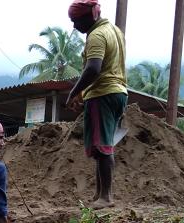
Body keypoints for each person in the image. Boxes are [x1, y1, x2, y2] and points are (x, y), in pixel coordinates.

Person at [65, 0, 128, 208]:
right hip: (118, 93)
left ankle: (106, 197)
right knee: (104, 143)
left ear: (90, 16)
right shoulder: (114, 31)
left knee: (102, 146)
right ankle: (99, 194)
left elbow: (93, 68)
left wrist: (74, 92)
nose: (75, 26)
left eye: (76, 21)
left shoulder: (96, 35)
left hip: (103, 94)